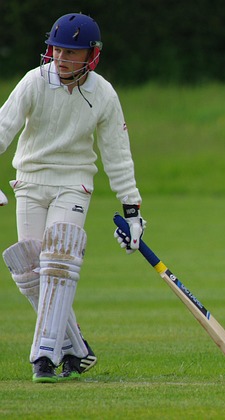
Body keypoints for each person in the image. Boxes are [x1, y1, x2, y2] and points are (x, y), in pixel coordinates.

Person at [0, 12, 145, 383]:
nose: (62, 58)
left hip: (74, 183)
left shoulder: (103, 94)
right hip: (30, 181)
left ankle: (44, 355)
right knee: (30, 268)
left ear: (90, 56)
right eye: (58, 50)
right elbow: (3, 127)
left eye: (72, 52)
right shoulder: (34, 81)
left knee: (59, 257)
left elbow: (117, 152)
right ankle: (77, 350)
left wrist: (132, 211)